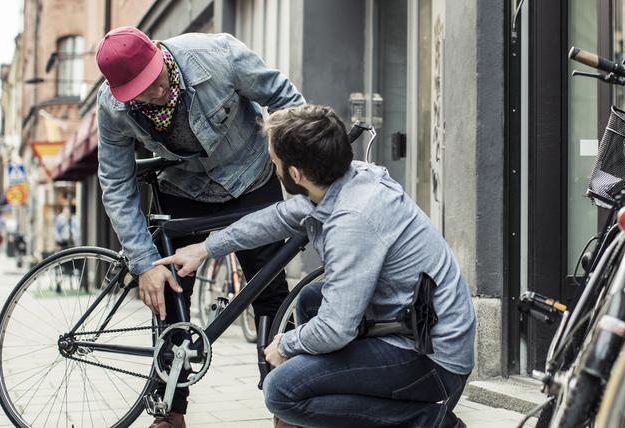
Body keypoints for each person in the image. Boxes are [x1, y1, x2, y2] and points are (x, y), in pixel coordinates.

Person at [156, 104, 476, 428]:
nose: (273, 167)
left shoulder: (353, 220)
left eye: (274, 163)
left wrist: (287, 345)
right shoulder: (348, 181)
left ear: (295, 174)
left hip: (433, 360)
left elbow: (336, 329)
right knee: (311, 299)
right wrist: (205, 248)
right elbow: (277, 217)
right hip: (408, 327)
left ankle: (429, 421)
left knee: (281, 391)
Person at [94, 26, 305, 428]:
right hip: (183, 188)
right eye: (138, 90)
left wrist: (295, 167)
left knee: (270, 292)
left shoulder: (219, 56)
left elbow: (285, 98)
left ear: (159, 53)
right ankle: (170, 413)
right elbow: (116, 182)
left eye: (155, 81)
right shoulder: (112, 107)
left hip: (251, 179)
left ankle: (285, 407)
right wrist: (145, 263)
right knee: (172, 301)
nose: (153, 94)